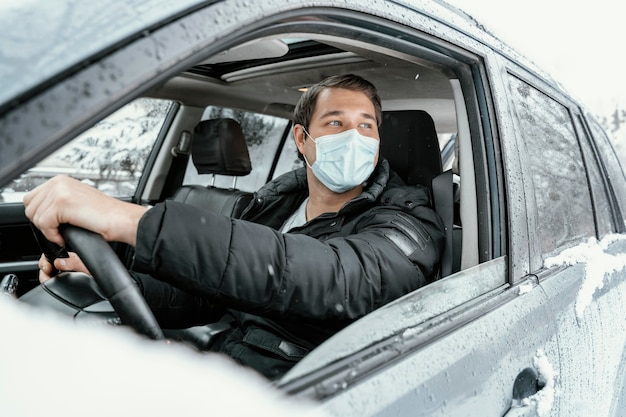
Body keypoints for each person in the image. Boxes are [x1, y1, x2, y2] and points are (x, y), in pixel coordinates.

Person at [24, 74, 445, 380]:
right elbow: (209, 294)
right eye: (335, 122)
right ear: (302, 139)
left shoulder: (407, 221)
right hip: (229, 362)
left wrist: (126, 218)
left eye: (366, 125)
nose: (354, 135)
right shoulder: (276, 203)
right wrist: (115, 282)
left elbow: (326, 274)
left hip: (304, 383)